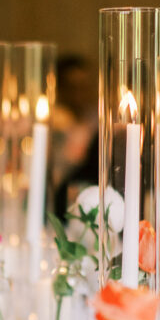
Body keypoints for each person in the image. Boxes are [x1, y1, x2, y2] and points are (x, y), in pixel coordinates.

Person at [50, 54, 98, 219]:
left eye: (84, 86)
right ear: (61, 89)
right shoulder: (51, 124)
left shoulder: (98, 122)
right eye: (72, 87)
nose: (79, 93)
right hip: (56, 203)